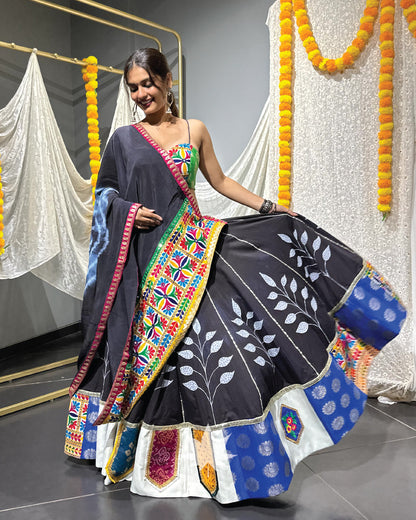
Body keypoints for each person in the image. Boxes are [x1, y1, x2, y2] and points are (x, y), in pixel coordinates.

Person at [65, 48, 406, 504]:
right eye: (134, 87)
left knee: (218, 351)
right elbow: (104, 194)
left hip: (196, 251)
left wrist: (268, 208)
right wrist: (127, 211)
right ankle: (149, 454)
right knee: (159, 362)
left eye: (149, 83)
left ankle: (227, 459)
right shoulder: (124, 140)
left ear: (168, 81)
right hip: (149, 262)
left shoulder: (194, 130)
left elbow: (220, 182)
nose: (142, 93)